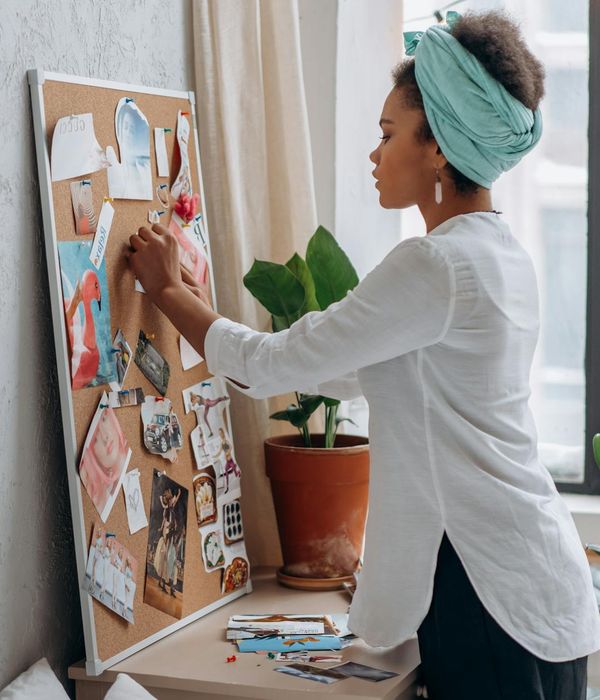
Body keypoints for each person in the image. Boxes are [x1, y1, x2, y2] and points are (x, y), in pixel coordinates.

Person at [126, 9, 600, 698]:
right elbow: (344, 369)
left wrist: (166, 290)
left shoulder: (435, 266)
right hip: (536, 588)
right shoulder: (500, 256)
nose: (374, 154)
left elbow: (268, 367)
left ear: (437, 147)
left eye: (387, 134)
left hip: (487, 595)